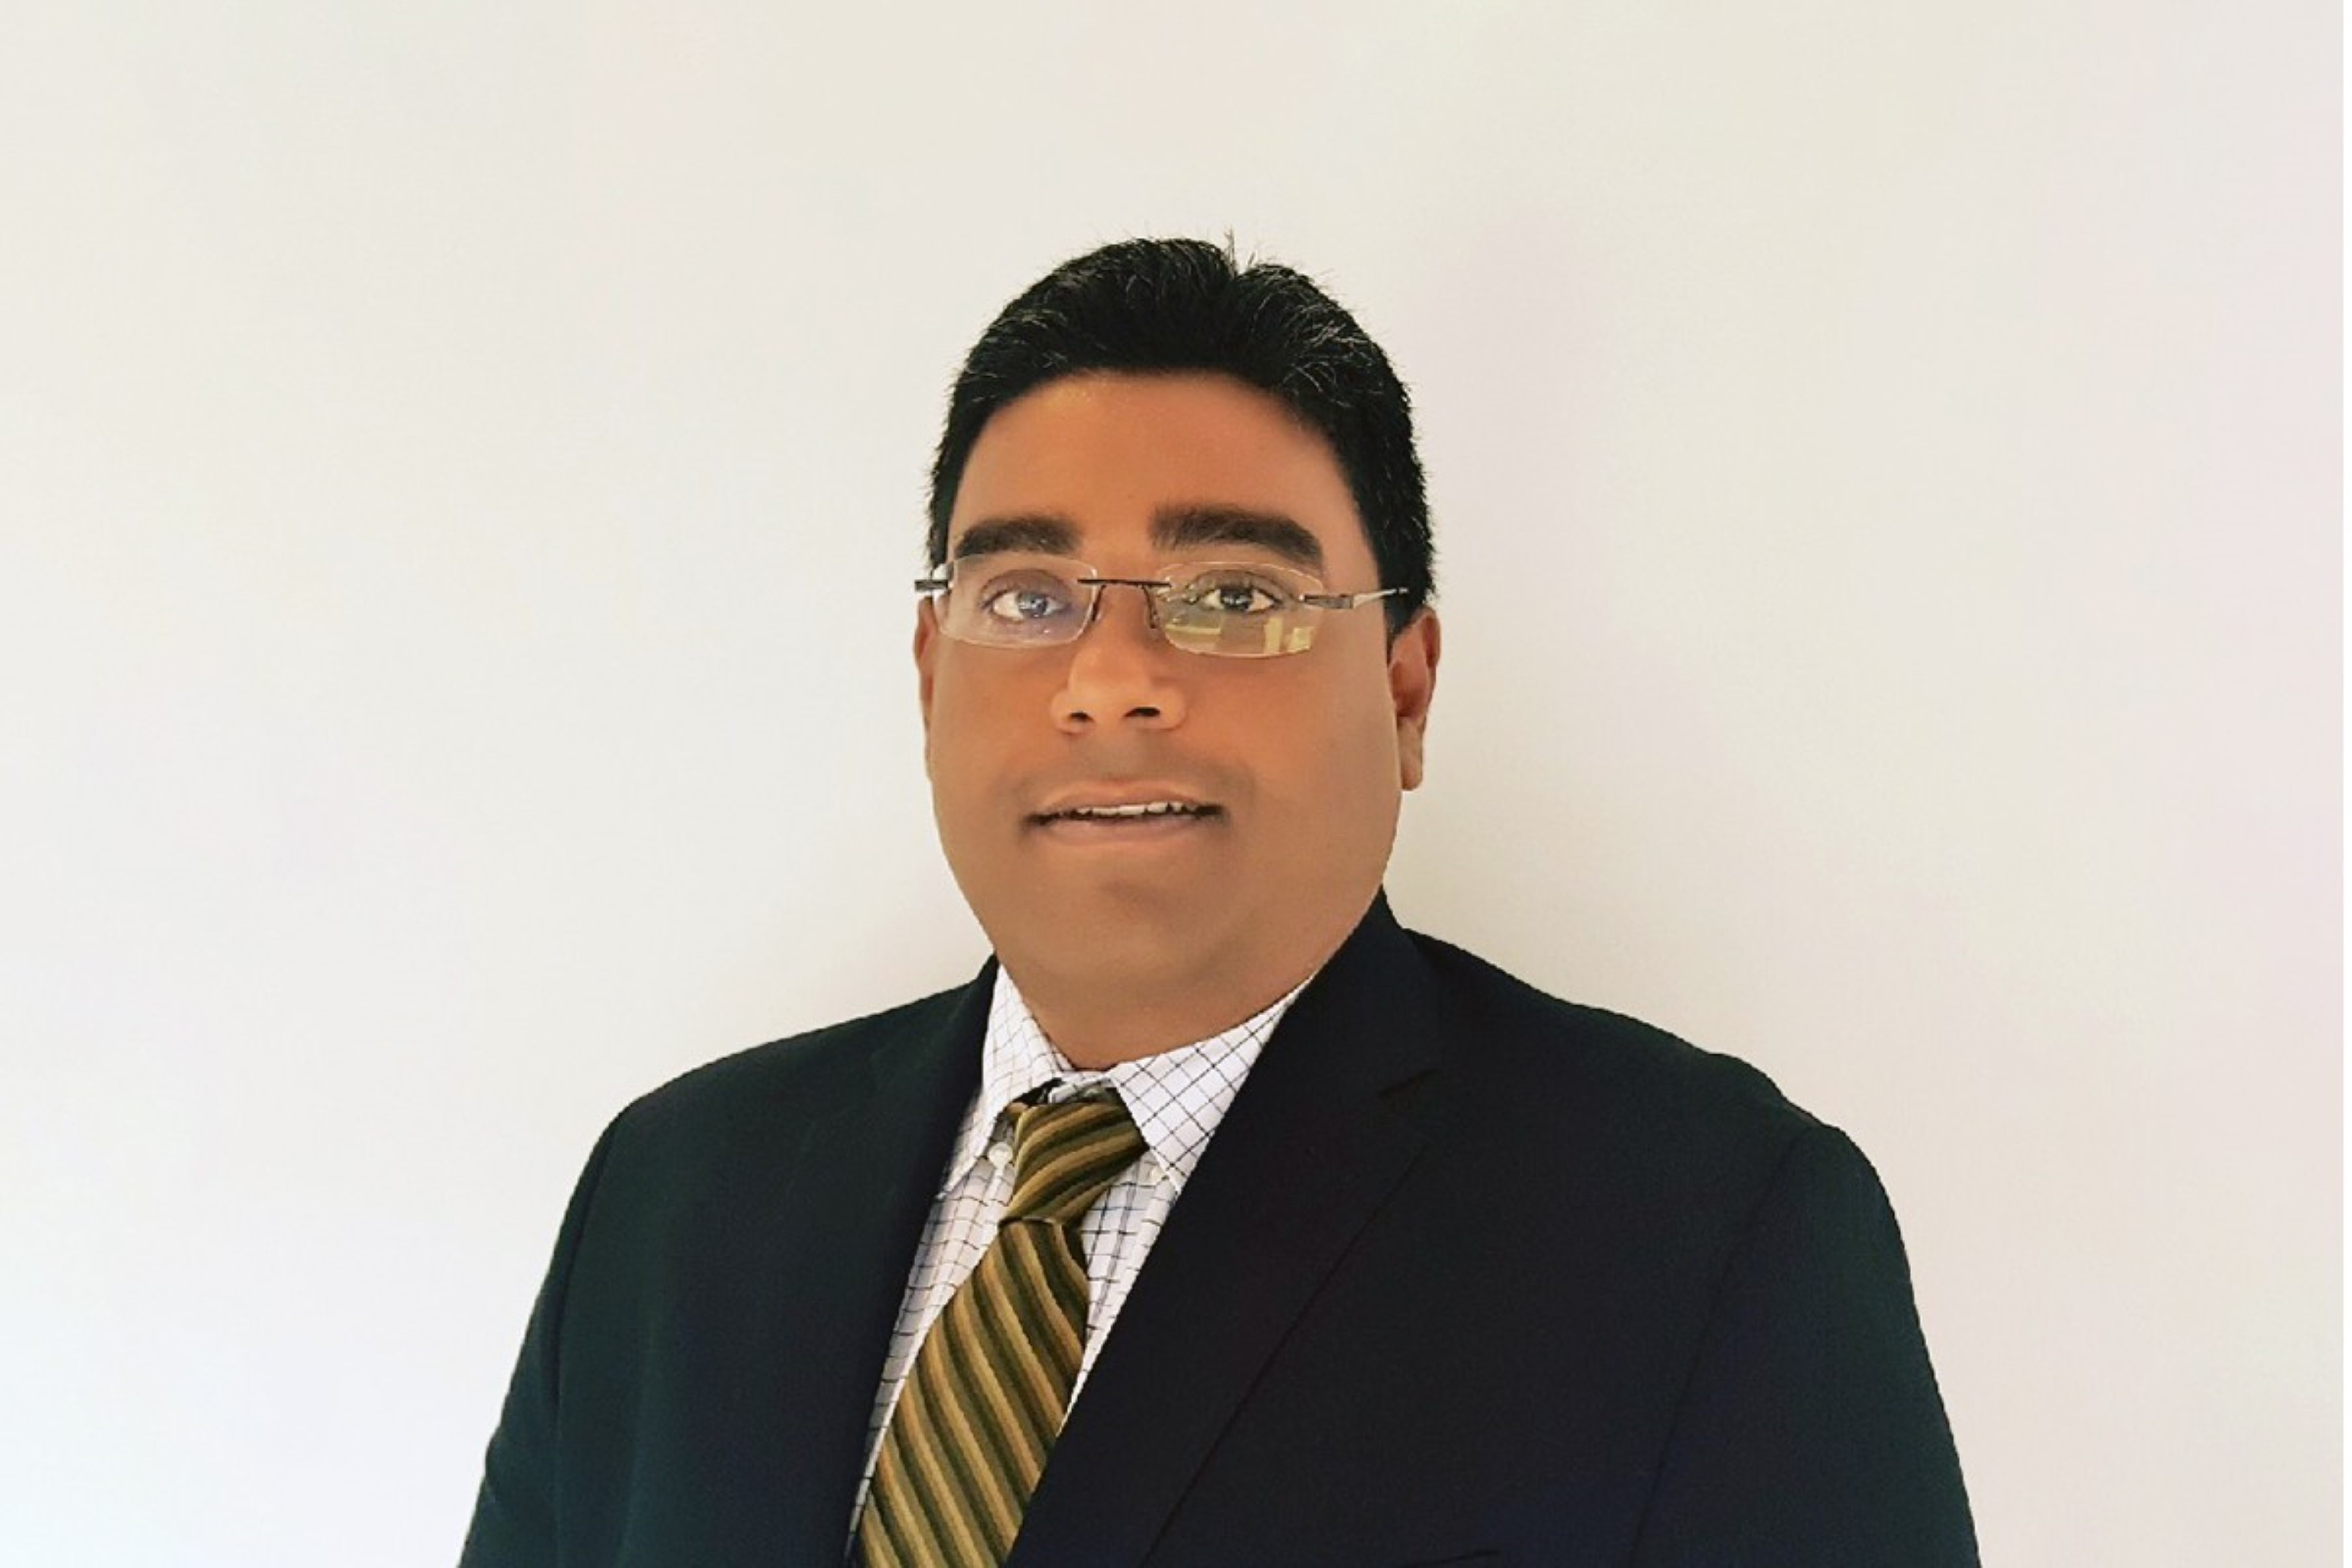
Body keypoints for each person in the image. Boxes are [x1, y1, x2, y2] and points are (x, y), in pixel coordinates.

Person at [459, 238, 1977, 1567]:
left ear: (1405, 688)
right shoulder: (672, 1199)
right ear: (930, 679)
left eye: (1235, 597)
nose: (1109, 681)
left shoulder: (1709, 1234)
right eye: (1027, 597)